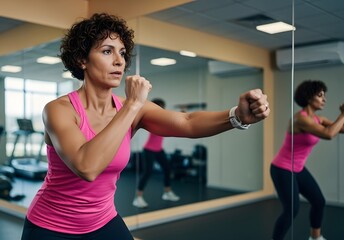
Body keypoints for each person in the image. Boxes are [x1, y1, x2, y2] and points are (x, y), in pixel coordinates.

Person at [21, 12, 270, 240]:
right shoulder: (59, 110)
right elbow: (87, 166)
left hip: (103, 220)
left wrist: (237, 116)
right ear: (81, 59)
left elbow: (187, 122)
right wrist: (132, 105)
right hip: (51, 226)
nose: (120, 61)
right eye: (107, 51)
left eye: (122, 52)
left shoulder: (131, 108)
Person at [270, 80, 344, 240]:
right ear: (309, 98)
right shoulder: (300, 120)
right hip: (282, 168)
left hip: (298, 168)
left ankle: (315, 237)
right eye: (320, 95)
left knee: (319, 201)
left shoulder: (319, 119)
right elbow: (329, 134)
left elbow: (339, 129)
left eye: (324, 96)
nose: (324, 99)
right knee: (291, 210)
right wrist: (343, 114)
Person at [133, 98, 180, 208]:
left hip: (159, 150)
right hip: (149, 150)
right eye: (159, 106)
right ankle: (138, 197)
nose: (161, 108)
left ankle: (167, 192)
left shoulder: (162, 118)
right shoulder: (152, 119)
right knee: (147, 172)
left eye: (162, 106)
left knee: (167, 169)